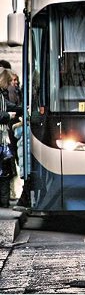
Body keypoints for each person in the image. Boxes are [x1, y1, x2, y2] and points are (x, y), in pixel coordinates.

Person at [0, 68, 22, 208]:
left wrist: (21, 109)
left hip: (2, 137)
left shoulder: (2, 94)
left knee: (4, 170)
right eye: (9, 82)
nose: (10, 85)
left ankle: (4, 201)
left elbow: (8, 106)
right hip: (2, 137)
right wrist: (9, 116)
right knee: (4, 170)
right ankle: (3, 202)